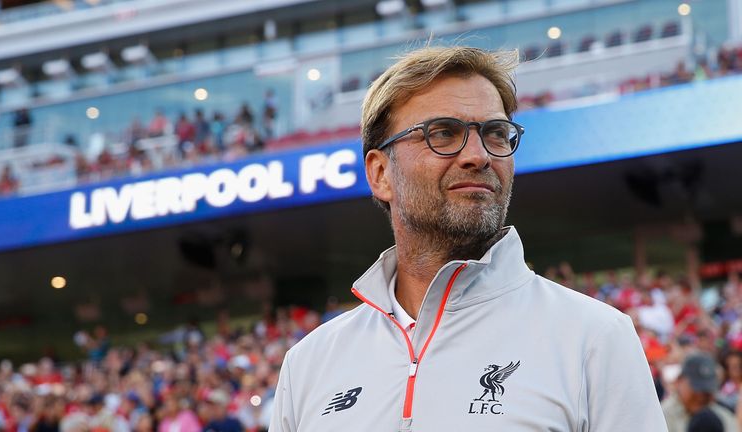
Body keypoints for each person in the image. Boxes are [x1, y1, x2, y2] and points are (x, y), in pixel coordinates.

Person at [270, 46, 667, 430]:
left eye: (496, 133)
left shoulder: (594, 336)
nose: (478, 155)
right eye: (443, 133)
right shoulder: (308, 363)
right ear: (380, 174)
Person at [662, 352, 738, 431]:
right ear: (679, 381)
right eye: (696, 388)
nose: (701, 395)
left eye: (707, 390)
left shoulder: (724, 416)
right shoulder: (662, 415)